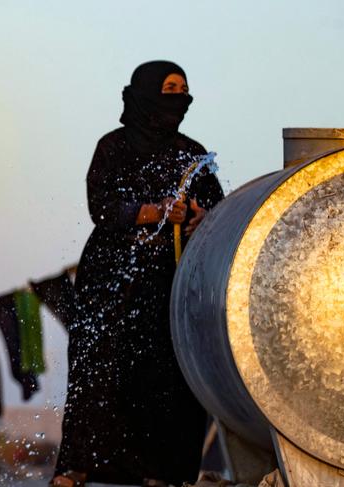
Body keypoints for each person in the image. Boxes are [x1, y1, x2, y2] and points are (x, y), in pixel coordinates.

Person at [52, 61, 224, 487]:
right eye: (169, 89)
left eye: (183, 90)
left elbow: (215, 211)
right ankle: (78, 466)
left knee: (165, 375)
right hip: (111, 283)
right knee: (98, 368)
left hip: (168, 284)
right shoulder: (113, 147)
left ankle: (158, 472)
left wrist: (198, 216)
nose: (178, 98)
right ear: (145, 94)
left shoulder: (193, 153)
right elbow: (103, 209)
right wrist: (156, 211)